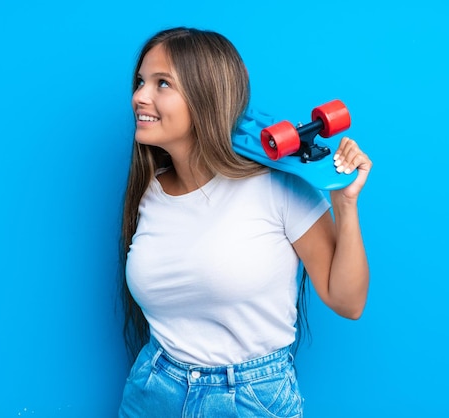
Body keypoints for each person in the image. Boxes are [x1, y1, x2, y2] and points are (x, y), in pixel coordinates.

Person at [118, 26, 371, 417]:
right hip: (153, 391)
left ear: (208, 97)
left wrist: (345, 202)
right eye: (140, 82)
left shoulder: (277, 187)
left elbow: (347, 302)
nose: (140, 97)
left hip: (250, 398)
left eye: (162, 83)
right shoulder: (150, 191)